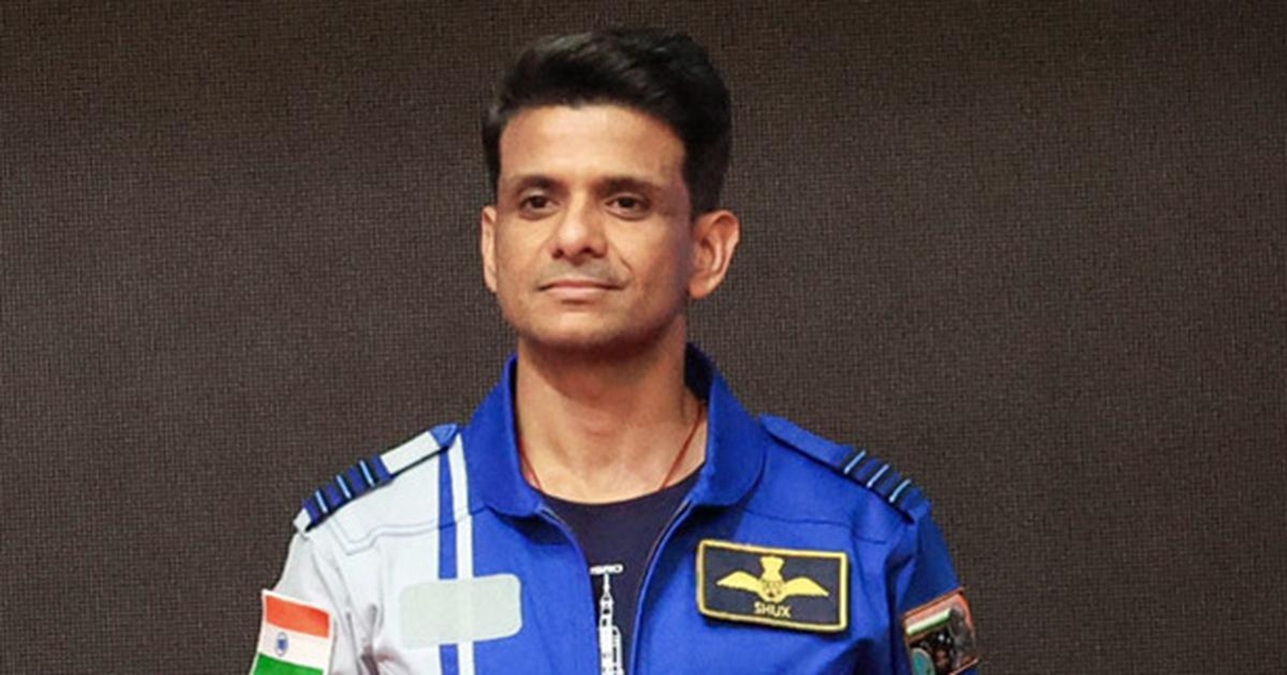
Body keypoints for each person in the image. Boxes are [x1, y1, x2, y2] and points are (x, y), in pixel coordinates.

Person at [250, 27, 978, 675]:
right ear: (492, 246)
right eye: (537, 201)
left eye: (625, 201)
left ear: (707, 250)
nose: (574, 237)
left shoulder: (865, 533)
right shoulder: (362, 544)